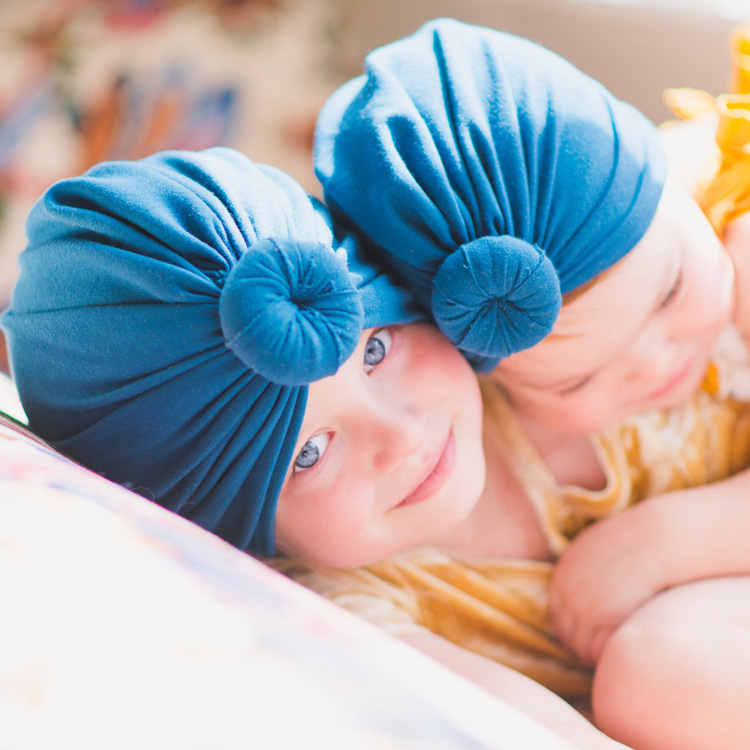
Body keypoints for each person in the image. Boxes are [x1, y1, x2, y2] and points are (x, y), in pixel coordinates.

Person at [0, 146, 628, 750]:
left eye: (377, 349)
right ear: (238, 530)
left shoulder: (556, 376)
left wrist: (671, 542)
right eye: (309, 454)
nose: (402, 436)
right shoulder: (358, 605)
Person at [298, 17, 750, 749]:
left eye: (669, 290)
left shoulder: (728, 213)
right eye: (580, 381)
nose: (656, 361)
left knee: (662, 666)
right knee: (667, 674)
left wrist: (663, 542)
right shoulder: (456, 461)